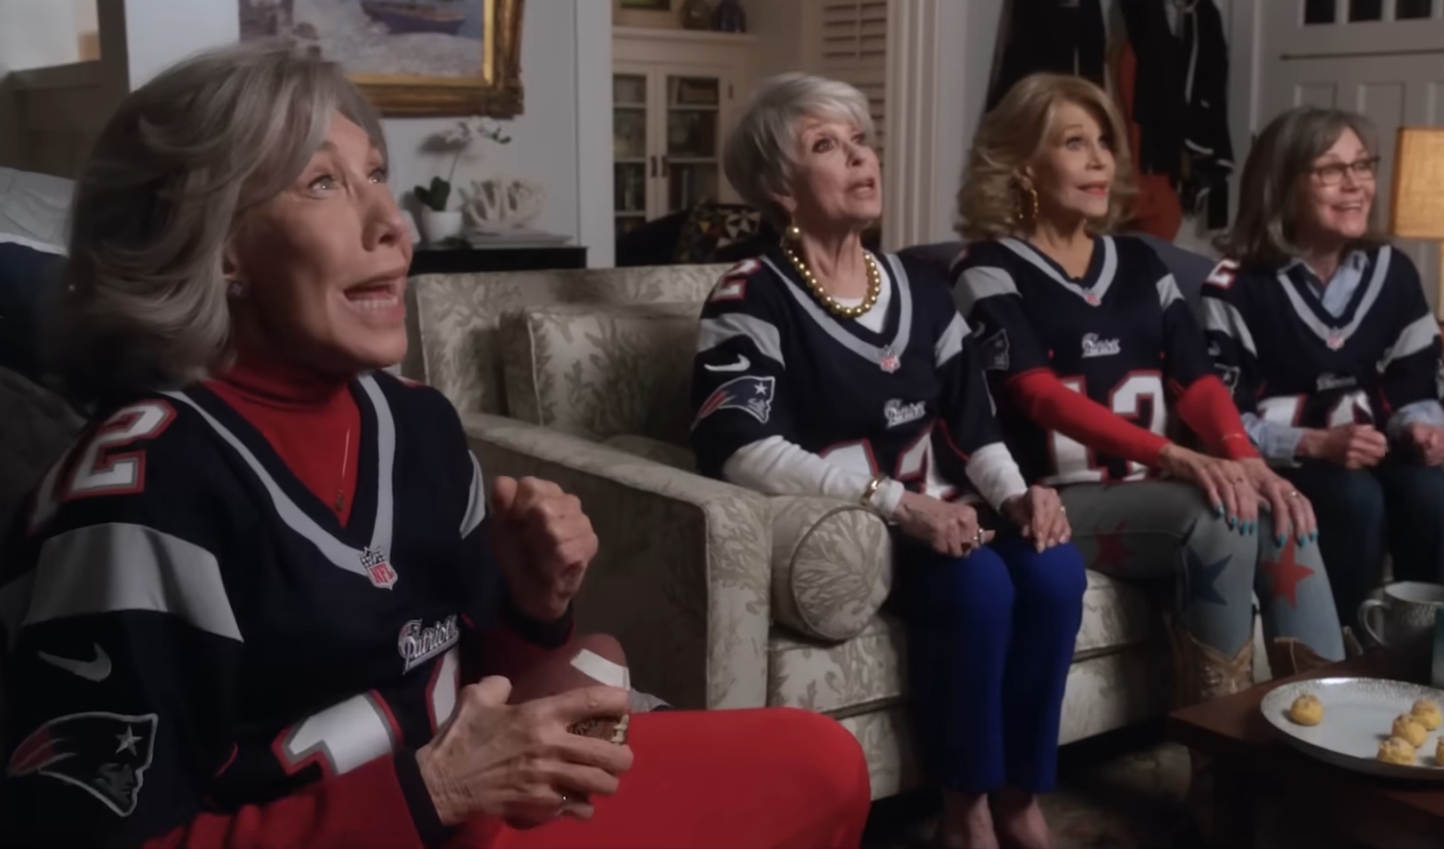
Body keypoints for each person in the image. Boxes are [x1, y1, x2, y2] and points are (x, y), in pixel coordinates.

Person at [0, 41, 869, 849]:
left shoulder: (418, 422)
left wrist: (532, 610)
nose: (392, 222)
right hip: (393, 824)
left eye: (377, 175)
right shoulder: (139, 491)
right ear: (217, 243)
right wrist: (436, 791)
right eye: (321, 183)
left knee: (819, 762)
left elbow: (475, 682)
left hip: (466, 816)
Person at [691, 72, 1083, 849]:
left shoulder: (922, 287)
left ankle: (1019, 798)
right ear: (779, 186)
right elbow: (737, 445)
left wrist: (1017, 497)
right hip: (855, 528)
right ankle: (964, 813)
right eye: (826, 145)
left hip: (947, 517)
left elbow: (973, 424)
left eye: (861, 141)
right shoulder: (749, 295)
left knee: (1054, 567)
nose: (860, 158)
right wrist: (896, 504)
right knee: (978, 585)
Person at [949, 73, 1348, 703]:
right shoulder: (986, 268)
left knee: (1282, 508)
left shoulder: (1141, 262)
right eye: (1074, 142)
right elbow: (1036, 393)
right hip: (1052, 502)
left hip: (1150, 491)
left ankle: (1326, 721)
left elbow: (1197, 381)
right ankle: (1219, 746)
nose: (1100, 159)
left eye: (1104, 142)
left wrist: (1245, 458)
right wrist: (1176, 456)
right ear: (1023, 166)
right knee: (1221, 517)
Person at [1202, 105, 1444, 626]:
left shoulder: (1393, 271)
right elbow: (1221, 421)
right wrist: (1316, 443)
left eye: (1362, 165)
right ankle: (1339, 651)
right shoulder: (1234, 287)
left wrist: (1421, 426)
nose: (1355, 184)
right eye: (1330, 170)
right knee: (1353, 498)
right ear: (1282, 184)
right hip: (1285, 463)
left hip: (1370, 451)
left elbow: (1414, 381)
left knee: (1432, 493)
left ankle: (1439, 643)